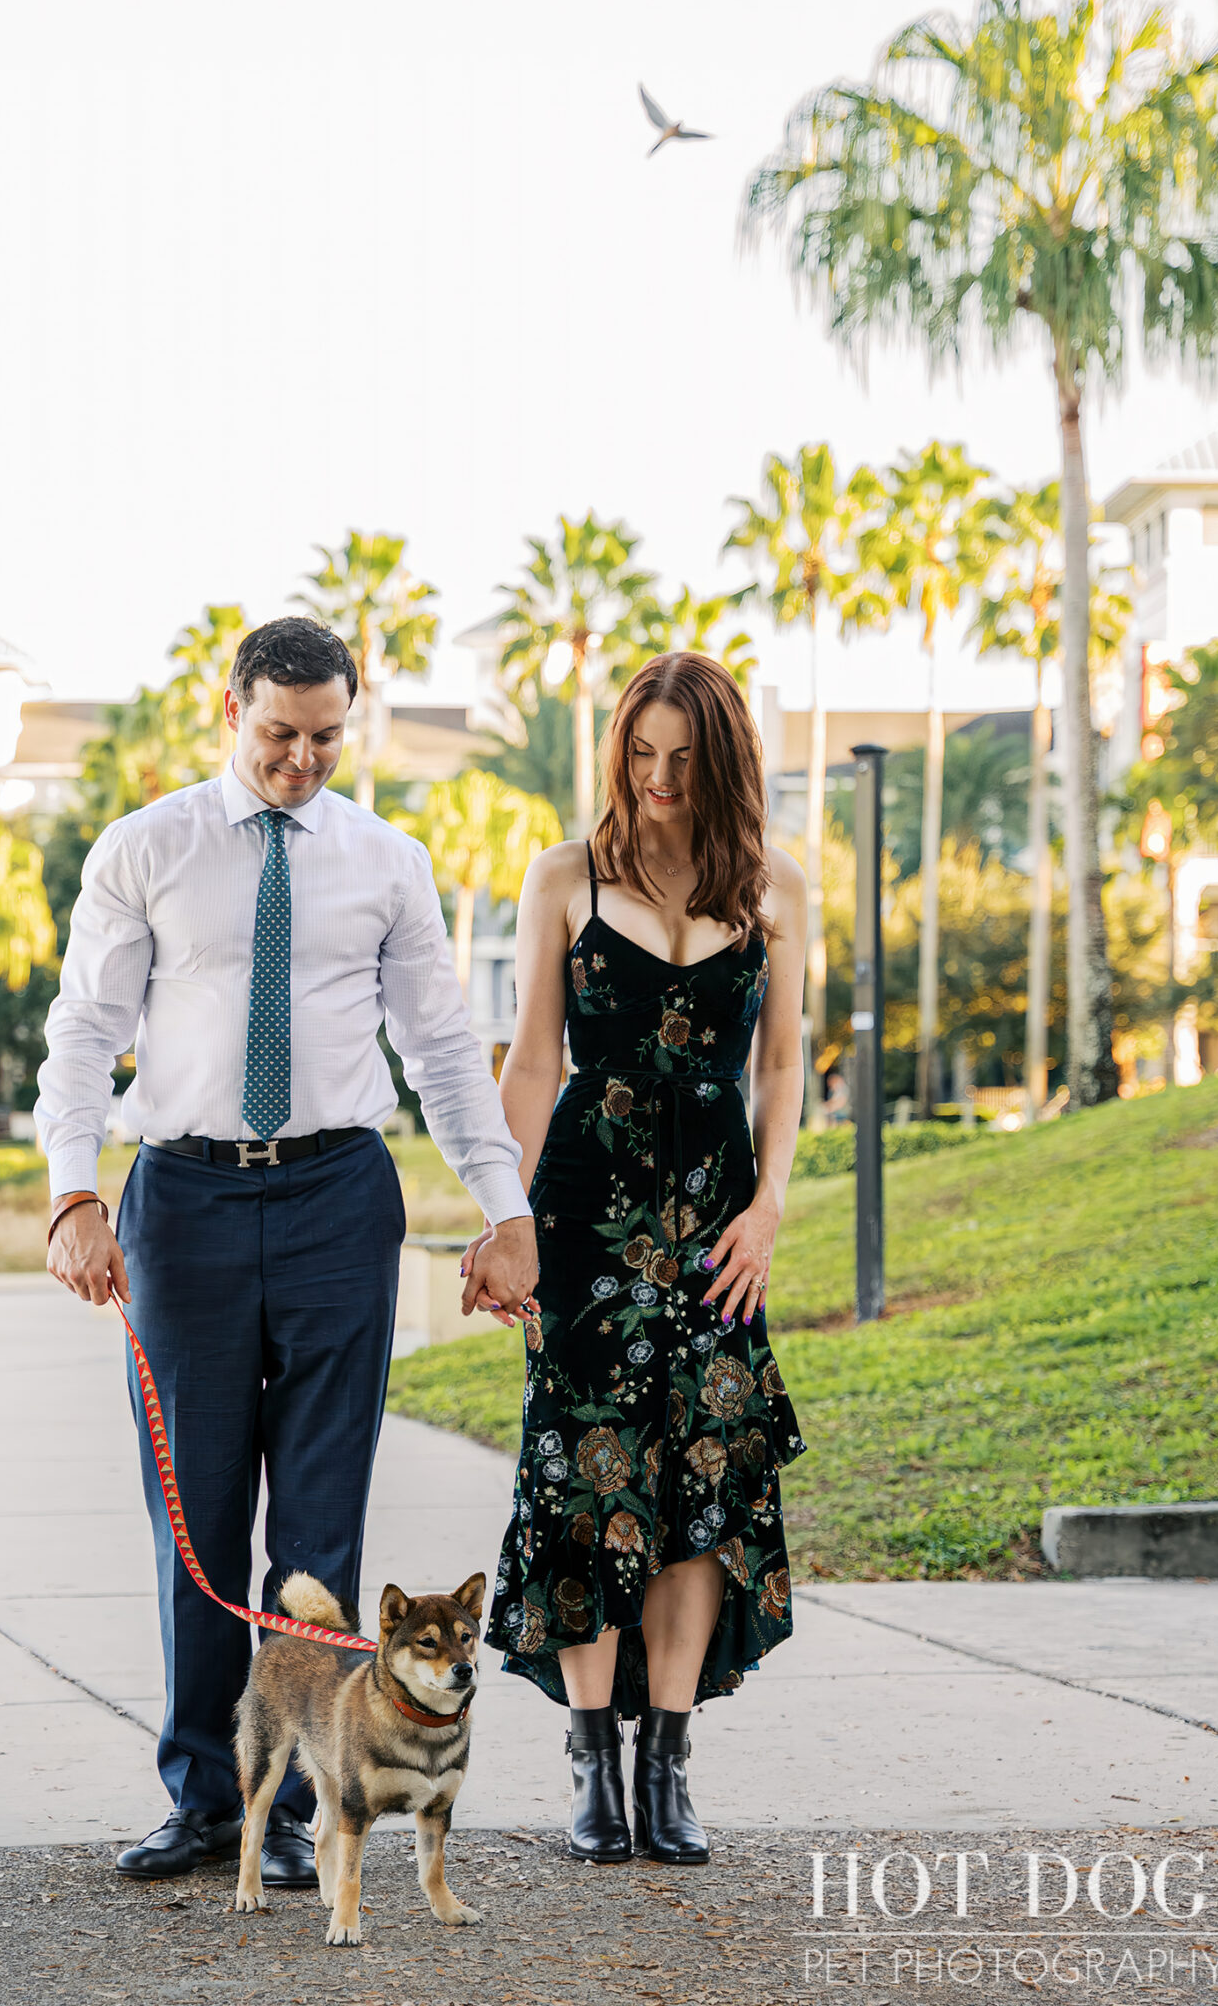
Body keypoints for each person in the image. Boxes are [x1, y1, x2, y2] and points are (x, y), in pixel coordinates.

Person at [38, 616, 539, 1886]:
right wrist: (71, 1193)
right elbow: (86, 1031)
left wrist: (505, 1209)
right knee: (194, 1517)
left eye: (324, 737)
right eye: (278, 734)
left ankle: (307, 1809)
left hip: (335, 1200)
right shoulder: (145, 847)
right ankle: (207, 1795)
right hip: (185, 1206)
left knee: (319, 1533)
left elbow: (440, 1050)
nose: (300, 760)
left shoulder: (386, 860)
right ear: (230, 708)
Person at [483, 651, 806, 1867]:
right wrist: (502, 1211)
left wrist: (770, 1207)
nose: (658, 777)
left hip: (718, 1223)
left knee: (703, 1483)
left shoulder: (776, 887)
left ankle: (668, 1762)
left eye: (683, 758)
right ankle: (593, 1768)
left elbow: (779, 1068)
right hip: (584, 1212)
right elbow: (529, 1059)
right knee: (585, 1478)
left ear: (722, 762)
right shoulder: (564, 875)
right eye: (641, 752)